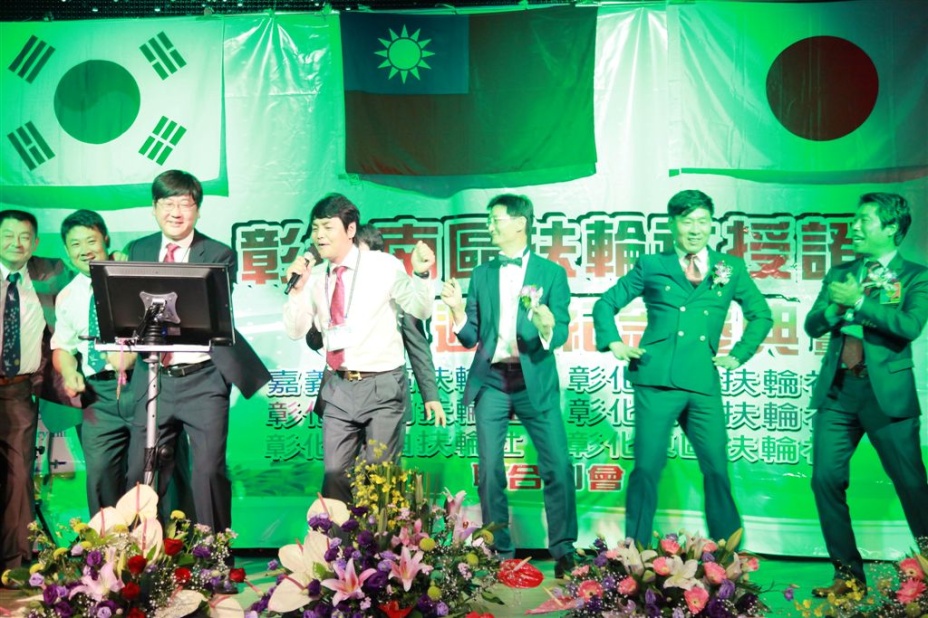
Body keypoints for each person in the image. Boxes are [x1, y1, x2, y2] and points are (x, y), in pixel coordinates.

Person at [592, 189, 772, 547]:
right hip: (656, 379)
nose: (695, 229)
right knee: (647, 467)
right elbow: (605, 304)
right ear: (672, 224)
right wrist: (614, 342)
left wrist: (738, 354)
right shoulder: (652, 264)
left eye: (703, 221)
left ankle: (728, 554)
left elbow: (761, 315)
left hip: (703, 381)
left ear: (712, 225)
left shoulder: (729, 267)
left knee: (716, 468)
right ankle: (635, 551)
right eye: (687, 221)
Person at [440, 194, 579, 577]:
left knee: (558, 465)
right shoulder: (482, 274)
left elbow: (560, 330)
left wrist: (548, 325)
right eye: (489, 220)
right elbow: (470, 336)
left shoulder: (551, 273)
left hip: (535, 380)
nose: (490, 226)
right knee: (489, 469)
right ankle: (499, 549)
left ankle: (564, 549)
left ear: (520, 223)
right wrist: (456, 311)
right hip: (493, 381)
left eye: (495, 219)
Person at [125, 170, 271, 532]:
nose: (176, 212)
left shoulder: (218, 253)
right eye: (168, 203)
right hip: (153, 375)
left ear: (198, 210)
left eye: (185, 204)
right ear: (154, 208)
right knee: (140, 470)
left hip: (203, 378)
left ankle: (215, 553)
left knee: (207, 471)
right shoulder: (139, 250)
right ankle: (141, 552)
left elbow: (210, 311)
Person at [806, 192, 928, 598]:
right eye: (854, 220)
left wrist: (859, 301)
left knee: (911, 485)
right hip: (839, 392)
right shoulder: (841, 272)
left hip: (887, 396)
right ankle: (848, 576)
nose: (854, 227)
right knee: (825, 479)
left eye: (864, 220)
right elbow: (812, 325)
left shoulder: (916, 275)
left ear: (891, 227)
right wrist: (835, 309)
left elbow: (909, 326)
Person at [282, 194, 435, 502]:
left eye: (328, 227)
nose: (319, 236)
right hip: (338, 386)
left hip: (382, 385)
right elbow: (296, 330)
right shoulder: (315, 277)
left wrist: (420, 274)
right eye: (315, 228)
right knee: (334, 474)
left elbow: (419, 308)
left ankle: (380, 535)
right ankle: (338, 535)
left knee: (379, 478)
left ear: (350, 230)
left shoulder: (383, 266)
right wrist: (296, 291)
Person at [306, 224, 445, 427]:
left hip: (383, 396)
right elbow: (313, 341)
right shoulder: (332, 285)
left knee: (380, 448)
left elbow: (417, 346)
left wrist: (431, 395)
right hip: (338, 394)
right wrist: (322, 320)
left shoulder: (396, 290)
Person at [51, 210, 138, 516]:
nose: (85, 250)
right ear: (67, 250)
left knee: (150, 473)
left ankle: (159, 543)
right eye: (75, 244)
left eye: (91, 240)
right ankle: (107, 545)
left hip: (143, 388)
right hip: (97, 397)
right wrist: (69, 371)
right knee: (101, 477)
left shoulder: (132, 278)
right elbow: (62, 347)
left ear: (106, 240)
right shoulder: (67, 296)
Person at [0, 209, 70, 578]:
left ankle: (15, 565)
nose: (16, 243)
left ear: (35, 242)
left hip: (17, 390)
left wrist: (114, 259)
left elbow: (89, 280)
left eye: (24, 236)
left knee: (19, 478)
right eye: (8, 235)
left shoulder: (50, 271)